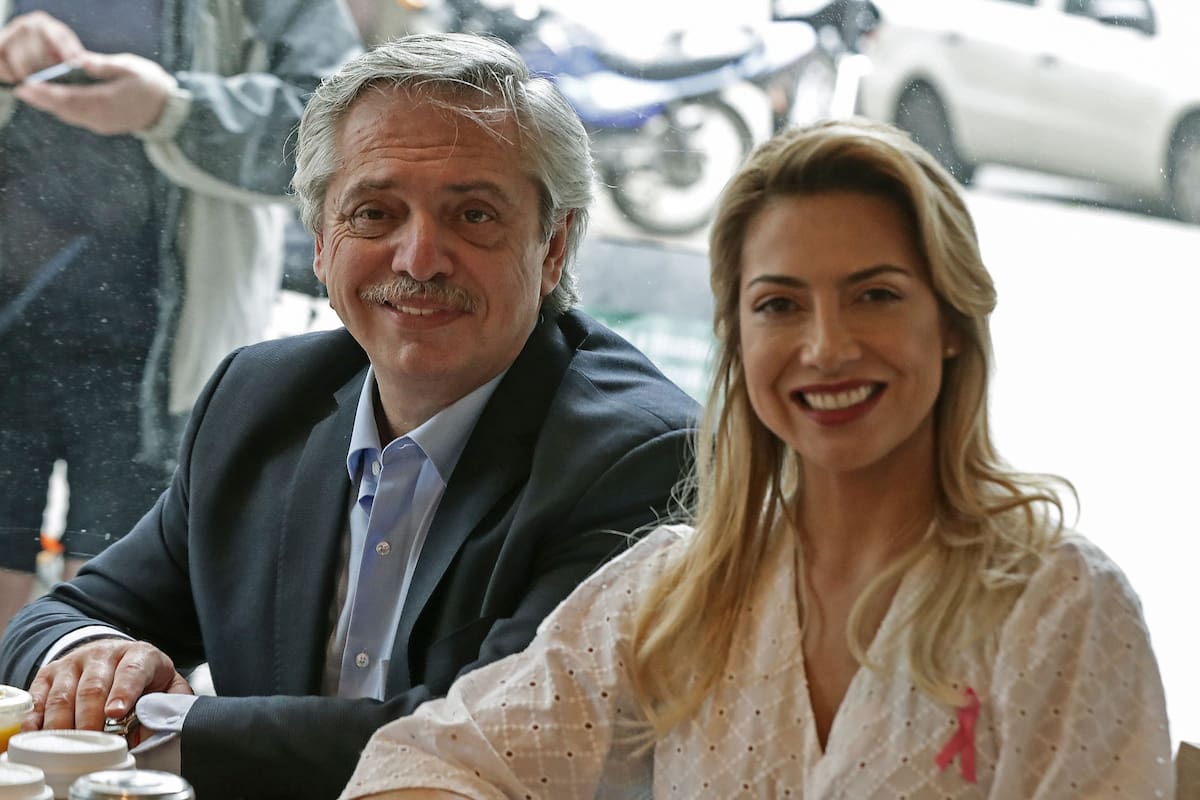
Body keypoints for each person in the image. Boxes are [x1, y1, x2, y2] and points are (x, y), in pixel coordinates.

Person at [336, 119, 1175, 799]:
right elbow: (425, 761)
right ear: (738, 341)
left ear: (952, 324)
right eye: (779, 305)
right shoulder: (680, 589)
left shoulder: (1059, 608)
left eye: (874, 295)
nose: (825, 346)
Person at [0, 33, 698, 800]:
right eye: (375, 212)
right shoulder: (259, 398)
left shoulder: (639, 455)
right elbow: (66, 614)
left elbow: (481, 737)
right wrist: (95, 656)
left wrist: (161, 725)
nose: (419, 257)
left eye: (473, 214)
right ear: (322, 243)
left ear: (553, 245)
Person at [0, 0, 364, 623]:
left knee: (103, 621)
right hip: (14, 338)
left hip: (158, 362)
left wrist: (173, 110)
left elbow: (342, 127)